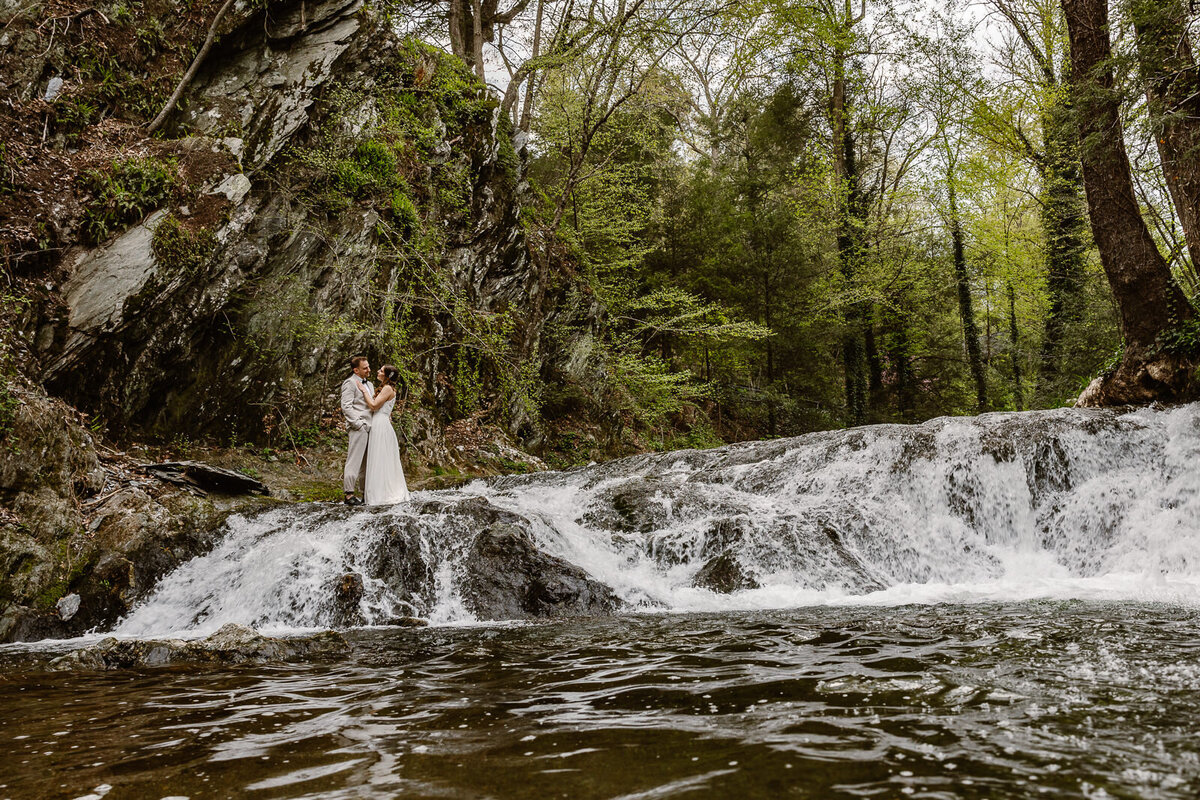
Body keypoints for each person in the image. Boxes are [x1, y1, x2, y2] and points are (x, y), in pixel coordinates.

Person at [357, 364, 410, 505]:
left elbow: (374, 406)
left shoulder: (387, 388)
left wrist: (364, 391)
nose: (377, 371)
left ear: (386, 376)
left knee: (379, 458)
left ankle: (381, 494)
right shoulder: (387, 388)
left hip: (380, 424)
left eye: (381, 370)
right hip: (381, 422)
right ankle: (377, 492)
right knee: (379, 458)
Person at [340, 356, 373, 506]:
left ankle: (365, 493)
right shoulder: (350, 383)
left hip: (371, 427)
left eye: (368, 366)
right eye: (365, 368)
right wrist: (358, 424)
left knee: (367, 463)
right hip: (358, 427)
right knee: (354, 460)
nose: (369, 370)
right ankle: (349, 494)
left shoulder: (370, 385)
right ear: (356, 370)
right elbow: (346, 406)